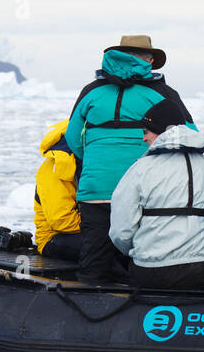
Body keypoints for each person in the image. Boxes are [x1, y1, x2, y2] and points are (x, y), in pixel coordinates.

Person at [65, 34, 195, 282]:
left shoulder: (91, 91)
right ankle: (137, 305)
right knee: (141, 248)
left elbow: (73, 139)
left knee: (95, 249)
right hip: (144, 188)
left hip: (95, 188)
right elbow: (189, 135)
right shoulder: (162, 93)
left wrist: (95, 162)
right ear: (147, 60)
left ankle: (88, 299)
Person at [109, 98, 204, 289]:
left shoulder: (141, 169)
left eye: (146, 132)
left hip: (151, 271)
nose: (143, 138)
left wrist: (139, 251)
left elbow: (121, 231)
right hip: (203, 270)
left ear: (162, 131)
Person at [33, 118, 83, 262]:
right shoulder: (55, 167)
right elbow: (60, 220)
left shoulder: (88, 163)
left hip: (86, 229)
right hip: (53, 237)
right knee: (102, 247)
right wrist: (100, 225)